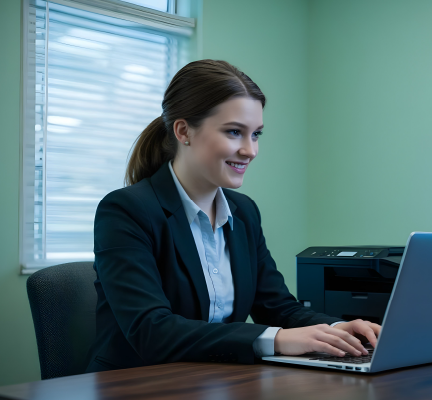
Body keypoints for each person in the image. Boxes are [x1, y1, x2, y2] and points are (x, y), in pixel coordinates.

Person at [85, 59, 381, 372]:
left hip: (213, 382)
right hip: (135, 383)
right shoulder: (125, 210)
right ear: (184, 130)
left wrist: (336, 330)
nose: (250, 150)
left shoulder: (244, 212)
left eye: (256, 135)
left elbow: (277, 306)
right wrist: (278, 339)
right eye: (234, 132)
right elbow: (152, 331)